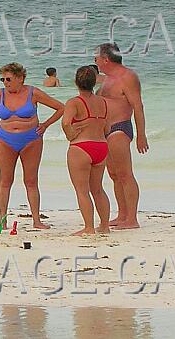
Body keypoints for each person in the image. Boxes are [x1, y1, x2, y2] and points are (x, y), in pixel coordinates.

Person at [0, 63, 64, 230]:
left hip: (31, 140)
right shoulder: (1, 94)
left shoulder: (33, 93)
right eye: (3, 79)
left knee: (31, 181)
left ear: (20, 78)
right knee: (5, 181)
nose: (5, 82)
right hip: (5, 140)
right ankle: (3, 220)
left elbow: (60, 108)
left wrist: (46, 125)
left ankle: (36, 220)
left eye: (9, 79)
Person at [94, 43, 148, 230]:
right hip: (105, 130)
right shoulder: (107, 79)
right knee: (114, 174)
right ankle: (122, 214)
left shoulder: (128, 77)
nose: (96, 61)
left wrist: (142, 135)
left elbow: (138, 107)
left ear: (106, 59)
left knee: (125, 174)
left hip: (119, 128)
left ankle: (132, 218)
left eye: (97, 58)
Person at [62, 66, 111, 236]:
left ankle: (89, 227)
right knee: (98, 189)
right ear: (94, 82)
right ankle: (105, 225)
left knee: (81, 190)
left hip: (81, 147)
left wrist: (71, 135)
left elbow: (66, 123)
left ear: (76, 82)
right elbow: (108, 127)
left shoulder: (74, 102)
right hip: (101, 146)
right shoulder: (102, 101)